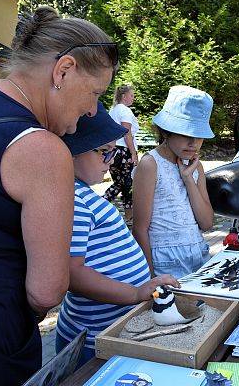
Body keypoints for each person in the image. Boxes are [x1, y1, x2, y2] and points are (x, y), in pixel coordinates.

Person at [0, 6, 117, 384]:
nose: (92, 111)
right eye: (95, 94)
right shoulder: (43, 148)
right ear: (64, 70)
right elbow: (46, 291)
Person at [57, 103, 180, 368]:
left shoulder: (83, 194)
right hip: (94, 339)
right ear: (70, 152)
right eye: (104, 152)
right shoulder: (74, 200)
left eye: (113, 152)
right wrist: (135, 293)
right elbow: (72, 273)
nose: (111, 161)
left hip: (109, 328)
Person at [133, 86, 215, 278]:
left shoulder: (196, 166)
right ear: (167, 131)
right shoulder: (150, 164)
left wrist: (188, 179)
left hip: (198, 255)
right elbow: (140, 228)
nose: (193, 143)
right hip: (164, 263)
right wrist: (150, 277)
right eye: (186, 134)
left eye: (199, 136)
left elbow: (207, 222)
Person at [104, 85, 139, 223]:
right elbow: (126, 133)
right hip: (124, 151)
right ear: (124, 96)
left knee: (123, 183)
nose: (133, 98)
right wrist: (133, 153)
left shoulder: (113, 110)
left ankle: (129, 216)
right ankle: (100, 203)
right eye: (132, 95)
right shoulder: (125, 111)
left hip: (112, 151)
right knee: (124, 183)